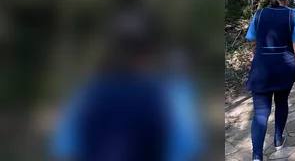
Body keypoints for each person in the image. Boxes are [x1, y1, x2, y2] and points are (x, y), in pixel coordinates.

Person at [51, 8, 203, 161]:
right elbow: (184, 151)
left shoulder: (87, 95)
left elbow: (64, 149)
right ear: (152, 52)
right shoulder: (170, 98)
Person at [244, 0, 295, 161]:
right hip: (284, 69)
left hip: (261, 70)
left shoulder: (259, 15)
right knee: (281, 102)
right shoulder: (292, 16)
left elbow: (253, 42)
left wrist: (259, 58)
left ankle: (257, 156)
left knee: (260, 113)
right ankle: (278, 139)